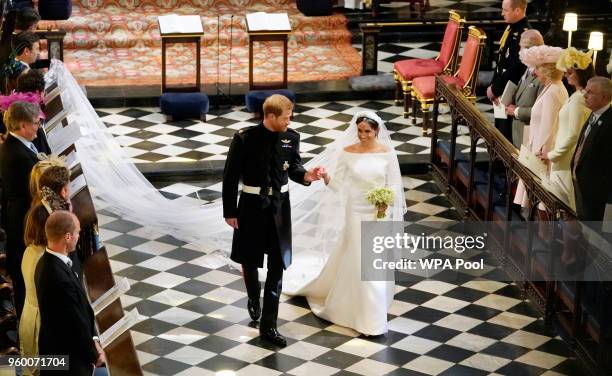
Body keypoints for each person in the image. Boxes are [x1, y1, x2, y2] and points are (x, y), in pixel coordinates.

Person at [284, 111, 406, 335]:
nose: (362, 135)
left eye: (367, 131)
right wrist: (326, 178)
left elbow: (395, 185)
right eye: (360, 130)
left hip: (379, 211)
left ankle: (371, 313)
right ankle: (370, 319)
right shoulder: (348, 152)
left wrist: (385, 200)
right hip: (355, 210)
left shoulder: (387, 153)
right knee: (362, 258)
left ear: (376, 131)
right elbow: (340, 185)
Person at [222, 94, 323, 347]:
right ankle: (253, 297)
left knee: (277, 266)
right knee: (249, 259)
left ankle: (269, 326)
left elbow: (294, 168)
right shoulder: (244, 138)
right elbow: (230, 177)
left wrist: (308, 176)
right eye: (286, 119)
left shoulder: (291, 138)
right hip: (251, 208)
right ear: (270, 116)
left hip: (279, 209)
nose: (289, 122)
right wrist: (230, 212)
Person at [36, 211, 105, 376]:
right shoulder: (57, 277)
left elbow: (81, 309)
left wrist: (94, 339)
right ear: (67, 237)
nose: (78, 236)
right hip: (68, 361)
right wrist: (95, 355)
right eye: (77, 232)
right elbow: (74, 323)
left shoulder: (47, 261)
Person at [0, 101, 45, 318]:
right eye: (36, 123)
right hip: (22, 221)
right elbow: (33, 190)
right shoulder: (17, 155)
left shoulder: (17, 145)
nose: (39, 126)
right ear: (23, 126)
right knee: (24, 278)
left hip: (19, 215)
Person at [537, 47, 594, 210]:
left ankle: (566, 236)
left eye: (570, 72)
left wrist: (553, 154)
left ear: (581, 73)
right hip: (563, 157)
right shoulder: (577, 96)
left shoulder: (579, 99)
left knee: (564, 205)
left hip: (564, 159)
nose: (567, 75)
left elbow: (574, 134)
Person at [513, 45, 568, 211]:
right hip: (536, 147)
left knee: (541, 203)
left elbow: (549, 128)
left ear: (547, 70)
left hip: (542, 154)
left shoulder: (553, 91)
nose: (534, 73)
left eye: (537, 68)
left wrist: (540, 156)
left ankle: (541, 236)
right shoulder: (551, 88)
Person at [487, 0, 530, 143]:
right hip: (500, 90)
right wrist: (494, 86)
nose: (502, 13)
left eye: (505, 10)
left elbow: (516, 68)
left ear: (517, 10)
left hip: (509, 93)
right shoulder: (511, 29)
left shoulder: (524, 35)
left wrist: (496, 88)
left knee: (505, 135)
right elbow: (501, 62)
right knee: (499, 132)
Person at [570, 76, 612, 222]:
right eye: (585, 91)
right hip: (581, 188)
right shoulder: (593, 113)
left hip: (596, 196)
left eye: (590, 92)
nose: (585, 95)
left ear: (604, 97)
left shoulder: (609, 122)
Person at [19, 203, 48, 373]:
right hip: (40, 321)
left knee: (30, 368)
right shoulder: (44, 259)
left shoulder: (29, 251)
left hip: (28, 316)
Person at [504, 29, 545, 148]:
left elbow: (542, 111)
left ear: (532, 50)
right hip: (518, 132)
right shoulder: (528, 68)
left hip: (530, 136)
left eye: (522, 48)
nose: (519, 52)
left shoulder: (543, 75)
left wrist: (516, 111)